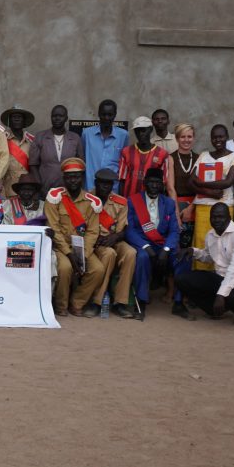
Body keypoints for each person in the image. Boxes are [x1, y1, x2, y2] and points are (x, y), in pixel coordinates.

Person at [176, 202, 234, 324]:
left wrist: (221, 295)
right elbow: (209, 256)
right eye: (213, 217)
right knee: (182, 279)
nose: (216, 220)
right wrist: (193, 251)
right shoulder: (211, 234)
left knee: (231, 295)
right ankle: (215, 310)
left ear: (229, 217)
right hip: (221, 278)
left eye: (220, 217)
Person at [45, 158, 106, 317]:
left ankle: (77, 302)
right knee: (65, 268)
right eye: (69, 177)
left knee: (98, 269)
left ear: (83, 178)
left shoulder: (92, 202)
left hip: (82, 248)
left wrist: (83, 256)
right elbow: (54, 228)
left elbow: (93, 232)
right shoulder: (54, 197)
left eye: (77, 176)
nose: (73, 180)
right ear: (64, 178)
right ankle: (61, 305)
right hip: (61, 247)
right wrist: (70, 254)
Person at [125, 168, 187, 320]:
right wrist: (146, 247)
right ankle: (142, 301)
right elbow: (129, 230)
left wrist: (166, 249)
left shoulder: (169, 203)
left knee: (182, 258)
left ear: (162, 185)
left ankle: (178, 303)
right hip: (143, 243)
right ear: (145, 183)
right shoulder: (133, 201)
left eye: (157, 183)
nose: (154, 186)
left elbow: (174, 230)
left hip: (163, 243)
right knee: (142, 258)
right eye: (151, 182)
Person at [190, 124, 234, 271]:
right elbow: (191, 181)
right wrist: (210, 192)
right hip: (203, 206)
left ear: (227, 137)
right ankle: (200, 279)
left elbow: (228, 181)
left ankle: (221, 279)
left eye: (220, 136)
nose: (217, 140)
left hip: (224, 207)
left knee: (223, 244)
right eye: (214, 137)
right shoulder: (203, 155)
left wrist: (202, 183)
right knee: (202, 243)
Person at [88, 169, 135, 318]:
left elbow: (122, 228)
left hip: (113, 238)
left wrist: (114, 237)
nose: (105, 187)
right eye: (102, 183)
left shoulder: (120, 201)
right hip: (94, 242)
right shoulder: (87, 199)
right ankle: (97, 301)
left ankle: (120, 302)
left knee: (130, 253)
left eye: (109, 184)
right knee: (109, 254)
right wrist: (95, 239)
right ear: (96, 183)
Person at [28, 105, 82, 190]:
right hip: (45, 188)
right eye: (54, 116)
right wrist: (39, 183)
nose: (57, 118)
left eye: (61, 116)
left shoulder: (75, 138)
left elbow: (80, 164)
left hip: (69, 189)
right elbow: (33, 164)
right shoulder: (40, 137)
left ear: (66, 118)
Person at [117, 116, 169, 198]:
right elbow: (122, 181)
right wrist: (121, 202)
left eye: (144, 130)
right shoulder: (126, 152)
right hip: (130, 200)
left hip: (152, 202)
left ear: (151, 129)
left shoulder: (162, 154)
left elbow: (163, 183)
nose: (141, 134)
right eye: (137, 131)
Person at [166, 123, 199, 249]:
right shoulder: (170, 158)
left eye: (189, 137)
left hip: (196, 204)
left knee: (194, 243)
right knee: (178, 243)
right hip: (176, 205)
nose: (186, 140)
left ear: (194, 138)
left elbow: (202, 187)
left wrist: (191, 208)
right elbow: (170, 188)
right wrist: (176, 213)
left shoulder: (200, 158)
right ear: (177, 138)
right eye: (183, 137)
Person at [81, 99, 125, 191]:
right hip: (90, 187)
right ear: (98, 114)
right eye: (103, 114)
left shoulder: (123, 135)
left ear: (115, 115)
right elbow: (83, 158)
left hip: (113, 188)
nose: (106, 118)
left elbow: (124, 163)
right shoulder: (87, 134)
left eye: (110, 115)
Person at [0, 107, 35, 198]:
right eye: (13, 116)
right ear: (9, 121)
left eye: (20, 116)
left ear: (24, 122)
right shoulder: (2, 139)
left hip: (28, 188)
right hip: (8, 188)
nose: (16, 118)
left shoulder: (32, 140)